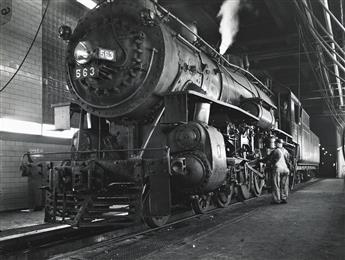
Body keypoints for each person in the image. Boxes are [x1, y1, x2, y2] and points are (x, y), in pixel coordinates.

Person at [265, 138, 292, 204]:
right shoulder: (286, 151)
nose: (275, 144)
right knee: (284, 185)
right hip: (286, 170)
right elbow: (289, 160)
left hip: (278, 169)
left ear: (278, 143)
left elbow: (269, 159)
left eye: (276, 143)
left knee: (276, 184)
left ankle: (276, 199)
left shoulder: (275, 151)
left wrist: (261, 161)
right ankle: (284, 198)